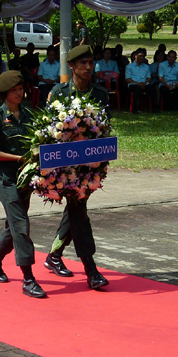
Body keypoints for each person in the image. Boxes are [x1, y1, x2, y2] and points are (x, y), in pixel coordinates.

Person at [44, 45, 111, 291]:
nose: (87, 67)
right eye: (82, 63)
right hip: (65, 166)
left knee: (76, 209)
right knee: (78, 212)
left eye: (90, 63)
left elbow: (105, 129)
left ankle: (54, 255)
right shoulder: (59, 93)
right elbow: (48, 130)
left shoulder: (101, 94)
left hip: (90, 165)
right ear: (71, 66)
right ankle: (91, 270)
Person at [0, 70, 46, 299]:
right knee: (21, 224)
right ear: (4, 94)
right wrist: (19, 159)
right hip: (6, 180)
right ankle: (28, 279)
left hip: (25, 180)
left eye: (21, 89)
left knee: (12, 226)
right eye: (14, 91)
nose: (19, 93)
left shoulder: (28, 113)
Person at [125, 48, 158, 113]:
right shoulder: (129, 67)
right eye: (140, 56)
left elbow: (149, 78)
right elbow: (128, 79)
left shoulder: (146, 67)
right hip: (133, 84)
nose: (142, 58)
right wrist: (138, 83)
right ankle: (135, 109)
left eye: (143, 56)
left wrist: (145, 83)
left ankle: (154, 108)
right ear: (135, 56)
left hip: (144, 84)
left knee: (152, 88)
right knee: (137, 89)